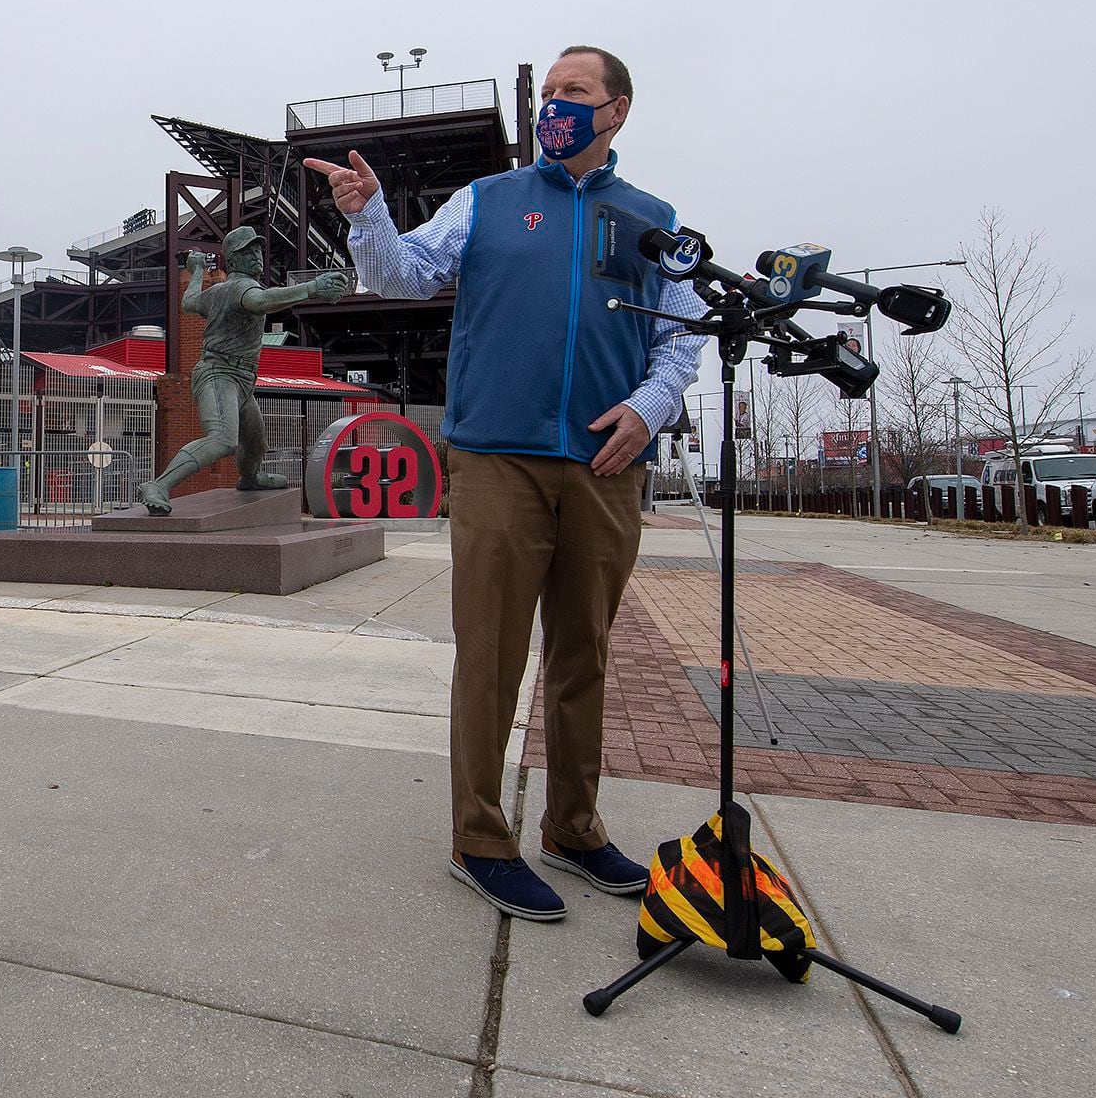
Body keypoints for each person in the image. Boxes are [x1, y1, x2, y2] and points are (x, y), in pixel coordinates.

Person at [307, 46, 705, 923]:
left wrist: (648, 410)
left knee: (584, 654)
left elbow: (682, 335)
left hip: (605, 466)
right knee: (490, 656)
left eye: (576, 93)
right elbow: (401, 273)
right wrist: (368, 216)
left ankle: (573, 826)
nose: (556, 105)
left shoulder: (652, 221)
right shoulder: (486, 201)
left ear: (618, 110)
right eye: (551, 92)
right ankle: (481, 839)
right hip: (496, 460)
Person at [135, 227, 352, 513]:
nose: (256, 256)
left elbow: (188, 303)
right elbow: (260, 302)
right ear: (233, 262)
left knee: (255, 443)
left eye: (257, 250)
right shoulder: (241, 287)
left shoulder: (217, 291)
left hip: (241, 379)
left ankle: (250, 478)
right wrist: (312, 288)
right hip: (219, 373)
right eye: (247, 252)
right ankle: (159, 485)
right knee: (223, 438)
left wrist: (197, 270)